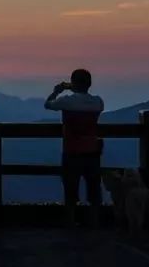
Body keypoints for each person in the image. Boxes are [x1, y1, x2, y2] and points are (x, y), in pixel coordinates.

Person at [45, 69, 105, 228]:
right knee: (93, 186)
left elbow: (48, 105)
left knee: (70, 187)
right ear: (90, 84)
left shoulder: (67, 101)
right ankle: (94, 221)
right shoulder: (98, 102)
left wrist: (56, 91)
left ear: (73, 83)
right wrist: (75, 88)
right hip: (92, 151)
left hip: (72, 150)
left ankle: (71, 221)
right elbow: (88, 101)